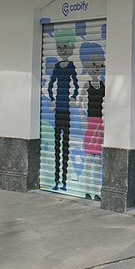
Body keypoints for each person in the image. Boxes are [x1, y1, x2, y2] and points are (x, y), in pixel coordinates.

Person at [47, 29, 79, 191]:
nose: (62, 49)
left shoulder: (71, 66)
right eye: (59, 47)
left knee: (65, 145)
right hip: (58, 110)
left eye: (65, 46)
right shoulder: (57, 67)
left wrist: (73, 97)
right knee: (57, 146)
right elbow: (50, 85)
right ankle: (56, 180)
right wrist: (52, 100)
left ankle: (65, 181)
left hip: (66, 110)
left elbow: (76, 85)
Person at [79, 42, 105, 200]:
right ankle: (88, 191)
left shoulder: (103, 85)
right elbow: (80, 101)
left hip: (99, 124)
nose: (97, 68)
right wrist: (83, 121)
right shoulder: (86, 84)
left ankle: (97, 192)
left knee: (98, 161)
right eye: (94, 64)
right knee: (89, 161)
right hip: (90, 123)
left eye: (100, 65)